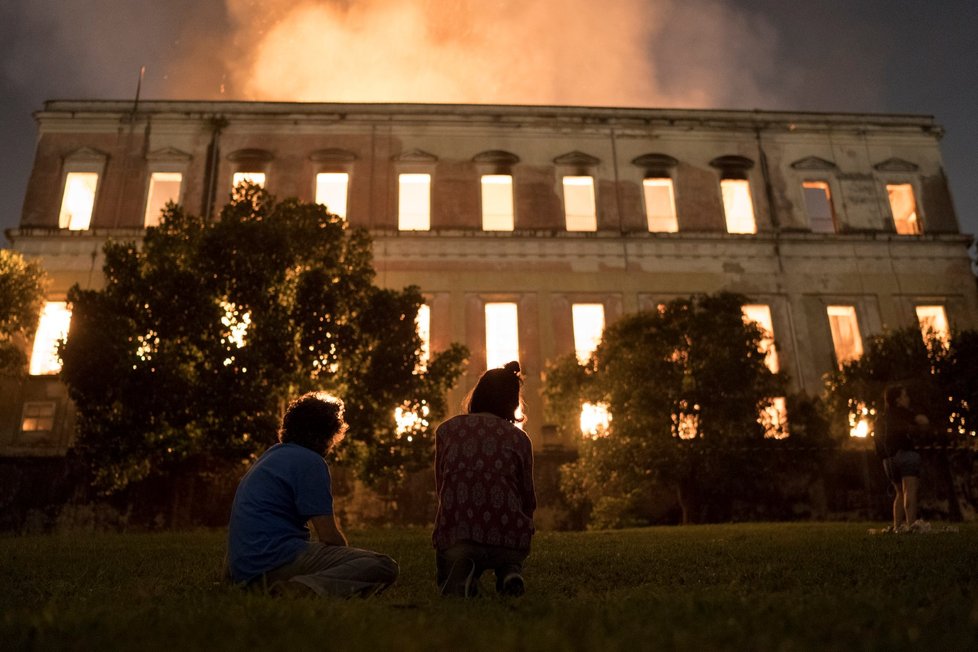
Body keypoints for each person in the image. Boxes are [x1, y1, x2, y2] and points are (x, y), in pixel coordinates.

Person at [227, 391, 398, 597]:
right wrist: (344, 558)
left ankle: (291, 586)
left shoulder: (272, 455)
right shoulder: (310, 461)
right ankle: (298, 589)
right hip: (274, 563)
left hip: (243, 571)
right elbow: (329, 536)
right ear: (327, 434)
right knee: (383, 565)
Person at [433, 360, 537, 597]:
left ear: (477, 394)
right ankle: (510, 570)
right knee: (508, 552)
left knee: (453, 564)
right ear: (512, 402)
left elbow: (442, 488)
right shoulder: (519, 439)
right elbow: (527, 498)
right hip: (509, 541)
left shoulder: (446, 431)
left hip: (460, 537)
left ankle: (462, 575)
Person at [877, 384, 930, 533]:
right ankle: (912, 525)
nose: (908, 398)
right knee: (910, 491)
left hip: (888, 460)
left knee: (899, 493)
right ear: (898, 400)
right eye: (905, 396)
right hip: (906, 455)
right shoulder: (903, 412)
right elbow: (922, 421)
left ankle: (897, 526)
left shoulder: (881, 417)